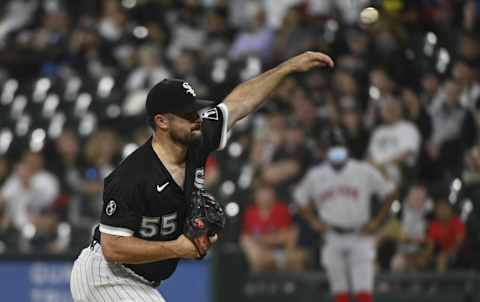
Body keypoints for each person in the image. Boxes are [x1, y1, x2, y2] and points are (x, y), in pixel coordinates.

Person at [70, 51, 334, 302]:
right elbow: (113, 248)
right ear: (162, 122)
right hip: (106, 275)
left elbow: (239, 103)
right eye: (187, 114)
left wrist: (287, 68)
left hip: (139, 280)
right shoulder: (132, 176)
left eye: (196, 110)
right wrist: (178, 247)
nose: (196, 118)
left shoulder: (197, 135)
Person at [294, 130, 397, 302]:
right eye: (330, 148)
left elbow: (390, 192)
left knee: (363, 292)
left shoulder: (362, 170)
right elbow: (300, 198)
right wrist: (313, 222)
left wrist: (377, 221)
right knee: (340, 292)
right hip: (332, 235)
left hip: (360, 234)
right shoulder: (316, 174)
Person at [240, 180, 307, 272]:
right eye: (261, 193)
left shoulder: (281, 209)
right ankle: (258, 276)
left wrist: (261, 240)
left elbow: (285, 236)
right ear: (255, 195)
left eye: (267, 193)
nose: (264, 197)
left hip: (279, 252)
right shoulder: (250, 213)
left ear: (273, 194)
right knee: (245, 241)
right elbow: (247, 238)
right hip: (260, 253)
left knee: (295, 241)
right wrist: (268, 240)